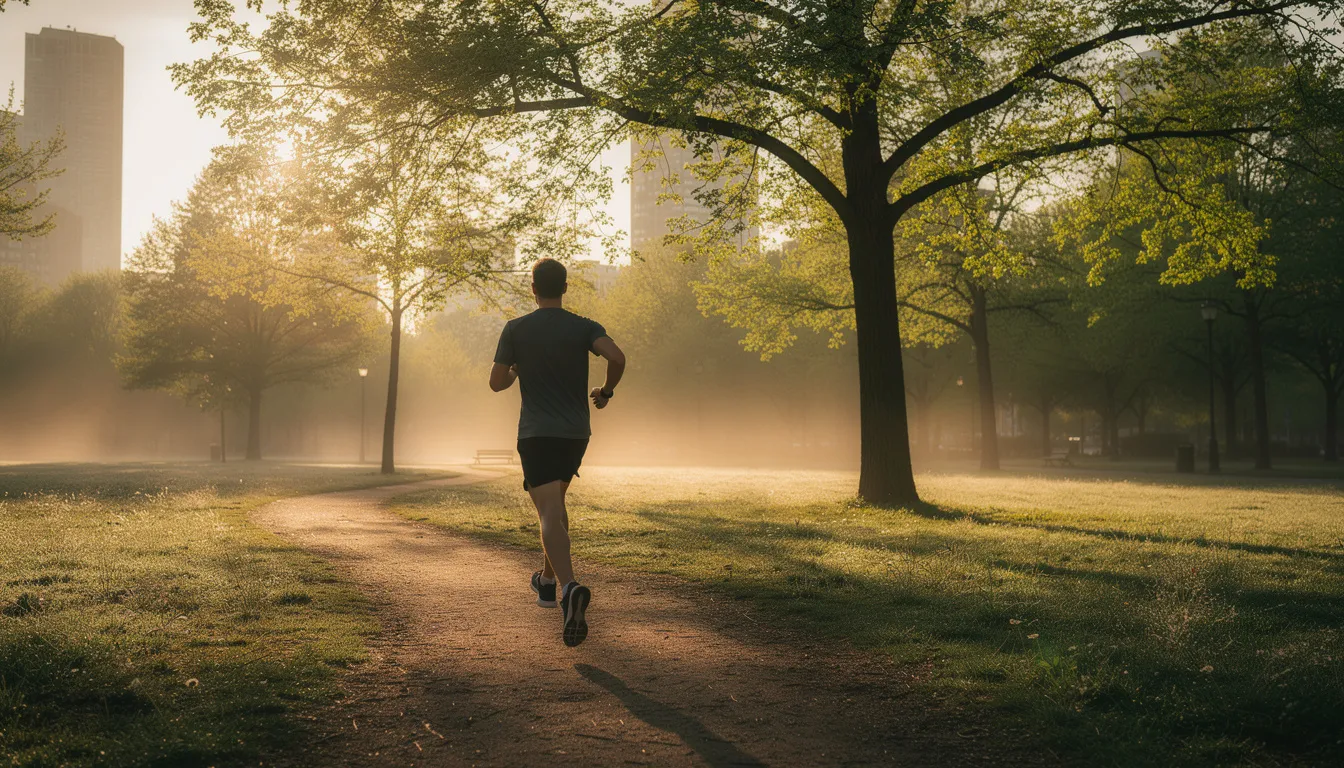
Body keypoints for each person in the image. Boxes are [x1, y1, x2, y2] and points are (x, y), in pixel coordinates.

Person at [489, 258, 626, 647]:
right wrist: (606, 392)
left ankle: (569, 589)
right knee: (558, 506)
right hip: (575, 434)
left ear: (532, 288)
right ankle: (547, 583)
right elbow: (617, 358)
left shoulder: (516, 329)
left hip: (536, 433)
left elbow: (497, 382)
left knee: (548, 511)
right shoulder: (584, 327)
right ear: (565, 288)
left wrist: (516, 370)